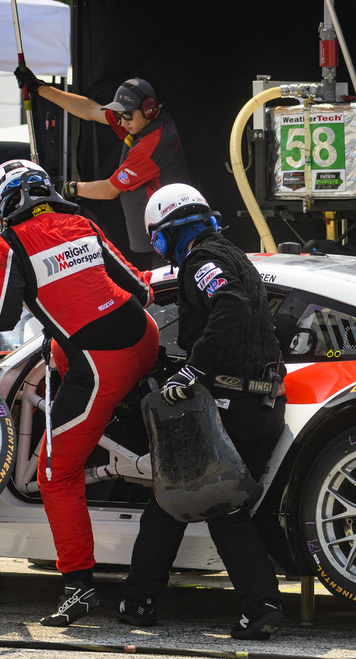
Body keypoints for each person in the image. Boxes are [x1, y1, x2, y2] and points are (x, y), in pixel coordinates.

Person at [0, 159, 159, 626]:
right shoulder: (83, 223)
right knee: (59, 349)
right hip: (144, 337)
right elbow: (140, 289)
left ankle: (78, 586)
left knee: (54, 473)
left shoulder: (10, 241)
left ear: (0, 204)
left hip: (102, 367)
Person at [119, 183, 286, 640]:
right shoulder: (234, 256)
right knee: (190, 502)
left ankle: (147, 602)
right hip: (262, 402)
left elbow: (230, 308)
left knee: (198, 502)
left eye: (157, 238)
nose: (160, 249)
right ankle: (142, 602)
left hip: (229, 405)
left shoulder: (201, 261)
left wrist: (192, 370)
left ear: (172, 230)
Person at [15, 68, 189, 270]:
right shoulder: (145, 119)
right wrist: (39, 88)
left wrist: (71, 188)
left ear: (149, 109)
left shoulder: (151, 145)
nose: (122, 122)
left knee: (160, 282)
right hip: (160, 228)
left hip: (165, 233)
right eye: (119, 115)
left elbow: (108, 190)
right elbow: (90, 109)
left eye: (127, 115)